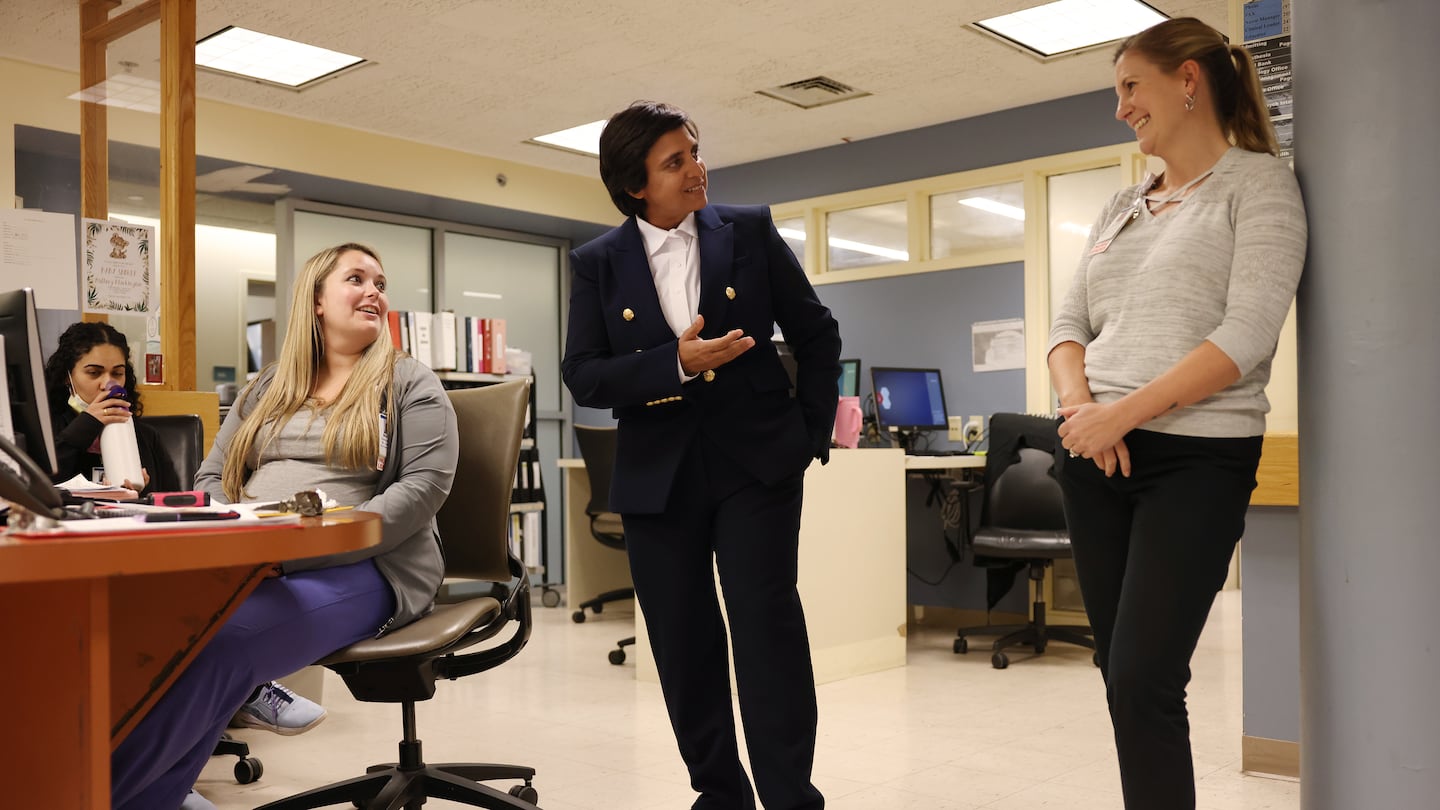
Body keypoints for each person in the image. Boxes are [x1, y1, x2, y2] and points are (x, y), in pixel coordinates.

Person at [1046, 17, 1307, 809]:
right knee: (1121, 677)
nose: (1121, 108)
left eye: (1131, 86)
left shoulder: (1259, 185)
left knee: (1143, 676)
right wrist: (1083, 410)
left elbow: (1246, 335)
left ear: (1188, 80)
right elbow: (1068, 327)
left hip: (1195, 458)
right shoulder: (1123, 205)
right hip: (1095, 454)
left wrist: (1123, 414)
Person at [110, 243, 458, 810]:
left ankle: (107, 796)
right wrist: (238, 534)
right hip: (255, 558)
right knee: (150, 629)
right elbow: (213, 476)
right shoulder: (269, 386)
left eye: (380, 281)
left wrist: (293, 552)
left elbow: (420, 493)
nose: (374, 291)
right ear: (316, 300)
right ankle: (160, 791)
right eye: (356, 279)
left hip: (372, 566)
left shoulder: (409, 384)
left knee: (224, 642)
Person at [563, 101, 841, 810]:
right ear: (636, 185)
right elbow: (585, 374)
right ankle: (720, 794)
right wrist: (673, 363)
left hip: (757, 463)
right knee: (682, 644)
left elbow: (816, 332)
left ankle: (789, 798)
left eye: (694, 151)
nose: (696, 169)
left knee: (765, 628)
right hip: (659, 475)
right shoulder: (598, 263)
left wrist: (809, 433)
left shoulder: (747, 230)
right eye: (674, 162)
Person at [43, 321, 180, 495]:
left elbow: (172, 501)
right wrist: (86, 424)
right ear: (67, 376)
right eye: (94, 373)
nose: (108, 384)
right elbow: (35, 487)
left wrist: (138, 493)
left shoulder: (145, 436)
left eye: (117, 373)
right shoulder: (48, 433)